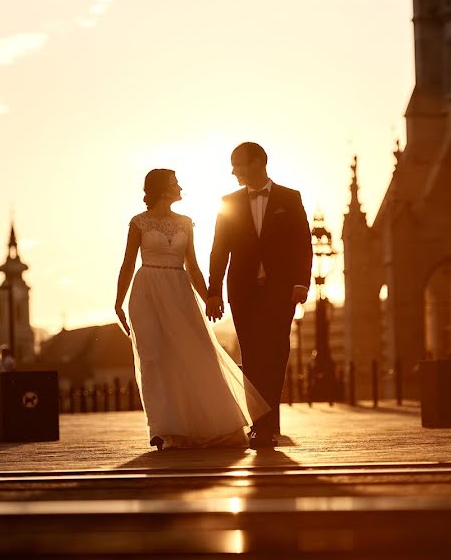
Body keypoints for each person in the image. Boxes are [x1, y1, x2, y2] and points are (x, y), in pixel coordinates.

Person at [115, 168, 269, 450]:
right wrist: (119, 301)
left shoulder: (186, 223)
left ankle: (205, 422)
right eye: (175, 183)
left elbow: (193, 266)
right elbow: (127, 263)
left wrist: (210, 297)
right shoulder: (138, 223)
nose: (180, 187)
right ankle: (162, 428)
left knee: (194, 352)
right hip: (146, 290)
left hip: (179, 290)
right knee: (153, 357)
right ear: (162, 189)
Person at [207, 142, 312, 449]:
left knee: (276, 354)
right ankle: (260, 427)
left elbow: (302, 243)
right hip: (243, 292)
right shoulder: (227, 202)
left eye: (238, 164)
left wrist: (301, 282)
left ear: (257, 162)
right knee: (252, 358)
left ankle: (269, 424)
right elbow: (219, 250)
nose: (233, 170)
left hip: (281, 292)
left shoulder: (289, 198)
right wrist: (214, 292)